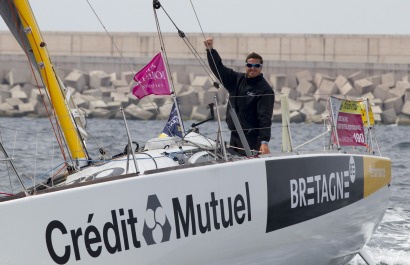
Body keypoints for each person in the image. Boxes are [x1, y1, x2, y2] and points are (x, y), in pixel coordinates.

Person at [204, 37, 274, 156]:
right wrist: (210, 50)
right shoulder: (236, 79)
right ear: (245, 65)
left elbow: (265, 118)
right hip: (235, 134)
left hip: (252, 138)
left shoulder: (265, 89)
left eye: (256, 65)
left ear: (261, 67)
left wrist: (264, 141)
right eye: (250, 65)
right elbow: (219, 68)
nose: (253, 68)